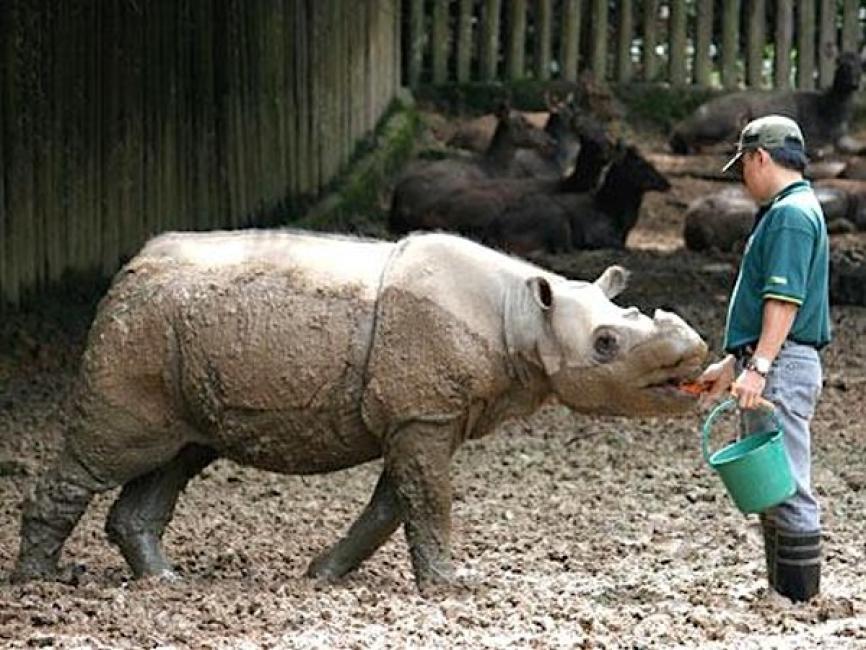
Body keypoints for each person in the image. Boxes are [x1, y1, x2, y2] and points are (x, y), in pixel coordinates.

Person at [697, 115, 831, 603]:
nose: (743, 178)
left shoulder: (791, 217)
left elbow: (784, 301)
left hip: (783, 364)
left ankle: (797, 599)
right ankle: (783, 593)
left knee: (788, 484)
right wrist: (732, 364)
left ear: (760, 157)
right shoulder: (788, 210)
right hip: (775, 360)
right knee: (771, 487)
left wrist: (759, 367)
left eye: (743, 166)